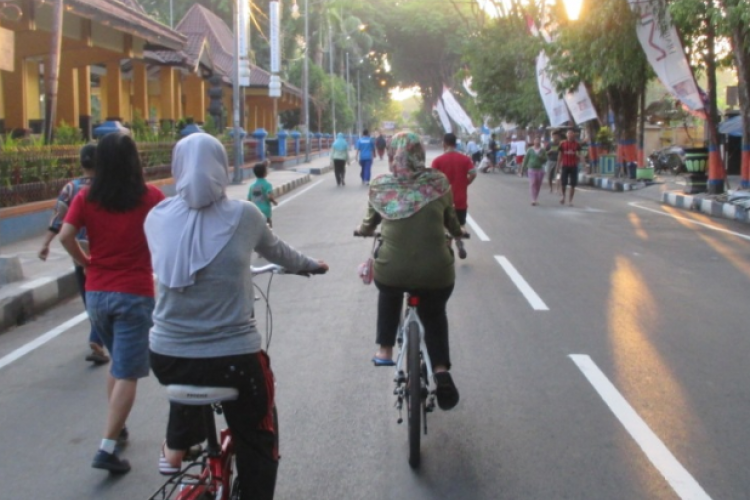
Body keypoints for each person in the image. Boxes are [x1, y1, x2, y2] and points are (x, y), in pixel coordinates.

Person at [146, 133, 328, 500]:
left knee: (192, 365)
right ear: (223, 168)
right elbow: (279, 252)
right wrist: (311, 266)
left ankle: (179, 441)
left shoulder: (157, 216)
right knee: (258, 434)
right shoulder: (244, 215)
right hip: (234, 360)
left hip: (166, 357)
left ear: (177, 168)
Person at [59, 132, 165, 473]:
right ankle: (105, 449)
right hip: (134, 293)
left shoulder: (87, 197)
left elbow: (65, 235)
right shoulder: (151, 197)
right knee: (129, 372)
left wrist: (86, 262)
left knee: (117, 364)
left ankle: (117, 429)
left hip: (97, 294)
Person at [356, 131, 462, 411]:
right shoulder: (438, 183)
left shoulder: (381, 186)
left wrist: (364, 230)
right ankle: (440, 370)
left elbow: (369, 223)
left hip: (393, 271)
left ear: (392, 155)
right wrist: (458, 231)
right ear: (420, 153)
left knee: (389, 290)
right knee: (435, 311)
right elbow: (451, 221)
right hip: (436, 273)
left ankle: (385, 348)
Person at [39, 143, 109, 365]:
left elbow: (59, 217)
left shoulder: (71, 187)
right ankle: (97, 338)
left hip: (78, 250)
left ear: (81, 163)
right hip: (104, 248)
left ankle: (97, 337)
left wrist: (46, 244)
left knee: (89, 295)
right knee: (104, 293)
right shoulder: (108, 187)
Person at [431, 132, 476, 232]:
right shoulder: (465, 159)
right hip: (460, 201)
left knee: (446, 230)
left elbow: (432, 179)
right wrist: (465, 182)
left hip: (444, 203)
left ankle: (449, 244)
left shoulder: (437, 161)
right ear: (455, 144)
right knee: (460, 225)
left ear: (444, 144)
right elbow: (473, 173)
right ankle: (459, 240)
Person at [557, 129, 582, 206]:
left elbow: (579, 154)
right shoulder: (562, 144)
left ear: (574, 135)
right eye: (569, 134)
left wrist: (583, 162)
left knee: (573, 184)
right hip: (565, 165)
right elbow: (560, 155)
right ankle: (563, 197)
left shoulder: (577, 144)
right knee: (563, 183)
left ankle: (570, 200)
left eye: (572, 134)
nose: (570, 136)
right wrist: (558, 166)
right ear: (566, 135)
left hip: (574, 166)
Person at [248, 161, 278, 227]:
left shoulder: (252, 186)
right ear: (265, 173)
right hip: (265, 211)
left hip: (255, 212)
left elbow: (248, 200)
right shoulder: (267, 185)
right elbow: (269, 196)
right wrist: (274, 201)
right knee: (269, 227)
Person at [522, 137, 547, 206]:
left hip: (540, 169)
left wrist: (541, 157)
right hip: (531, 169)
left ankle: (536, 198)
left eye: (538, 141)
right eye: (535, 141)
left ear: (540, 142)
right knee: (533, 183)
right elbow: (525, 159)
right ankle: (533, 199)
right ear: (534, 142)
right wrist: (522, 168)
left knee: (538, 185)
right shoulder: (530, 150)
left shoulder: (542, 150)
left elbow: (546, 159)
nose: (537, 142)